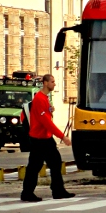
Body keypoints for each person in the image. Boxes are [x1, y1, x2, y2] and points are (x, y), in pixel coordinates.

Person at [21, 74, 74, 202]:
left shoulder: (45, 98)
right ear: (45, 83)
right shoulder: (39, 98)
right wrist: (63, 137)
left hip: (45, 138)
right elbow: (47, 123)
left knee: (55, 162)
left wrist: (50, 110)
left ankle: (58, 190)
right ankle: (28, 193)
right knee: (35, 166)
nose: (54, 84)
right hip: (39, 139)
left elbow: (46, 116)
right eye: (52, 81)